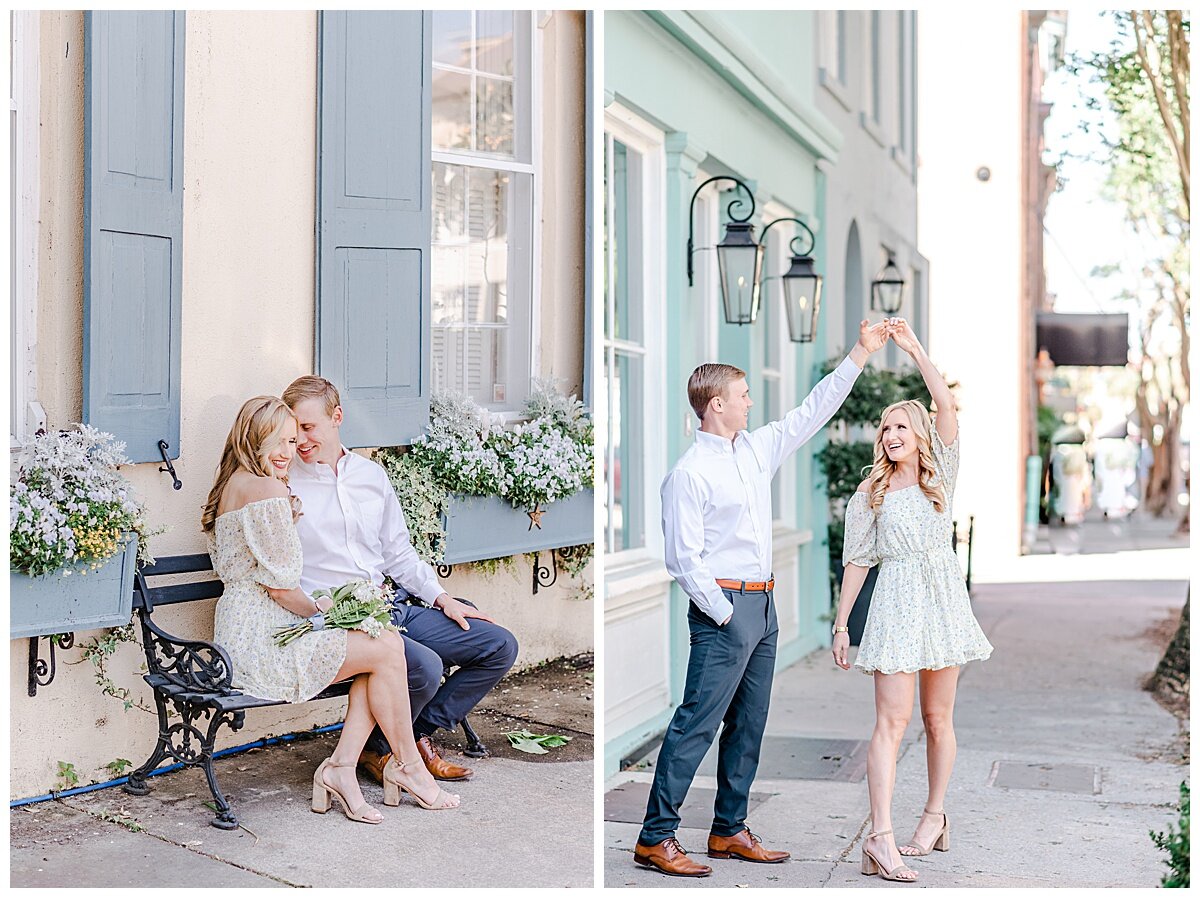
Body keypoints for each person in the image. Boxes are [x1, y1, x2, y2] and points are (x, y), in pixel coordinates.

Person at [634, 320, 891, 877]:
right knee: (696, 723)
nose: (751, 403)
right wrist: (726, 614)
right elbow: (683, 558)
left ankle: (728, 829)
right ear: (717, 404)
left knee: (749, 723)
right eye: (744, 395)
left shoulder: (755, 449)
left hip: (764, 607)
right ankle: (656, 838)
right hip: (724, 610)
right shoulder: (689, 474)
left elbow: (812, 410)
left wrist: (860, 353)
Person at [201, 396, 460, 824]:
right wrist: (325, 612)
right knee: (385, 648)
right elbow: (282, 588)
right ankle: (405, 766)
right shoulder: (265, 488)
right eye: (277, 441)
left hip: (242, 627)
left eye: (292, 439)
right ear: (253, 439)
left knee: (380, 651)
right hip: (263, 634)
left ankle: (344, 767)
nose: (287, 451)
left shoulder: (234, 483)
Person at [282, 376, 519, 786]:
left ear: (337, 417)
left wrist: (442, 598)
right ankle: (393, 750)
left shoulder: (371, 477)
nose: (299, 440)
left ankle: (403, 738)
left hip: (390, 606)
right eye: (293, 430)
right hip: (339, 619)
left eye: (308, 427)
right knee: (423, 667)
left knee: (497, 644)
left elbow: (398, 553)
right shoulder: (285, 483)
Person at [832, 318, 993, 882]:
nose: (890, 434)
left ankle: (934, 814)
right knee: (891, 723)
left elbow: (946, 406)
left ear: (920, 434)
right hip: (896, 604)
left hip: (941, 601)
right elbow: (857, 561)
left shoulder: (940, 477)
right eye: (885, 429)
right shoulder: (869, 493)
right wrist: (841, 624)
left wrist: (915, 349)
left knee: (937, 717)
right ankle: (880, 837)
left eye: (901, 425)